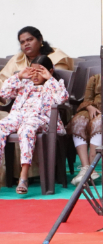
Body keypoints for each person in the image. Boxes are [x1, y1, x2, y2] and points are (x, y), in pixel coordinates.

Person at [0, 55, 68, 193]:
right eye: (33, 71)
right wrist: (19, 75)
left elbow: (62, 98)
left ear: (49, 71)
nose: (35, 75)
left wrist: (50, 78)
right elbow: (4, 93)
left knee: (26, 130)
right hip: (18, 116)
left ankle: (23, 176)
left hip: (41, 118)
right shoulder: (25, 83)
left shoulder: (53, 84)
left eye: (40, 71)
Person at [68, 54, 103, 185]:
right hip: (93, 108)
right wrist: (90, 107)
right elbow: (86, 99)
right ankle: (86, 167)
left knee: (99, 122)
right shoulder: (95, 79)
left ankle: (92, 168)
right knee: (78, 121)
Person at [0, 26, 75, 87]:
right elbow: (2, 79)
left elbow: (59, 84)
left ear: (40, 39)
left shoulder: (56, 56)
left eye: (30, 40)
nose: (26, 44)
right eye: (22, 42)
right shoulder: (17, 58)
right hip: (18, 95)